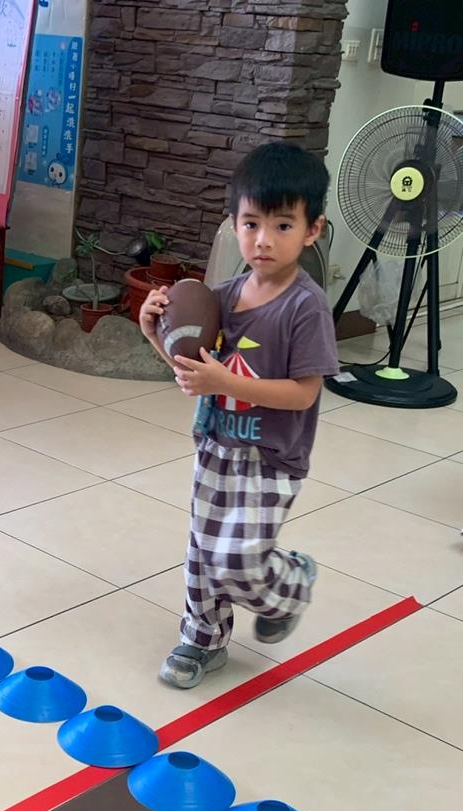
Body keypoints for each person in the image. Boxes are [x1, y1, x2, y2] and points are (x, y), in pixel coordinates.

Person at [139, 142, 340, 689]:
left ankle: (290, 583)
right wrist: (154, 332)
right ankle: (201, 639)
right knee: (203, 555)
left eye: (282, 225)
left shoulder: (306, 307)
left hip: (271, 458)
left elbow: (304, 394)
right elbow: (192, 369)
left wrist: (227, 382)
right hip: (215, 446)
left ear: (312, 230)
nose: (264, 239)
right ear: (233, 224)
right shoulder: (220, 297)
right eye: (251, 224)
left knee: (239, 561)